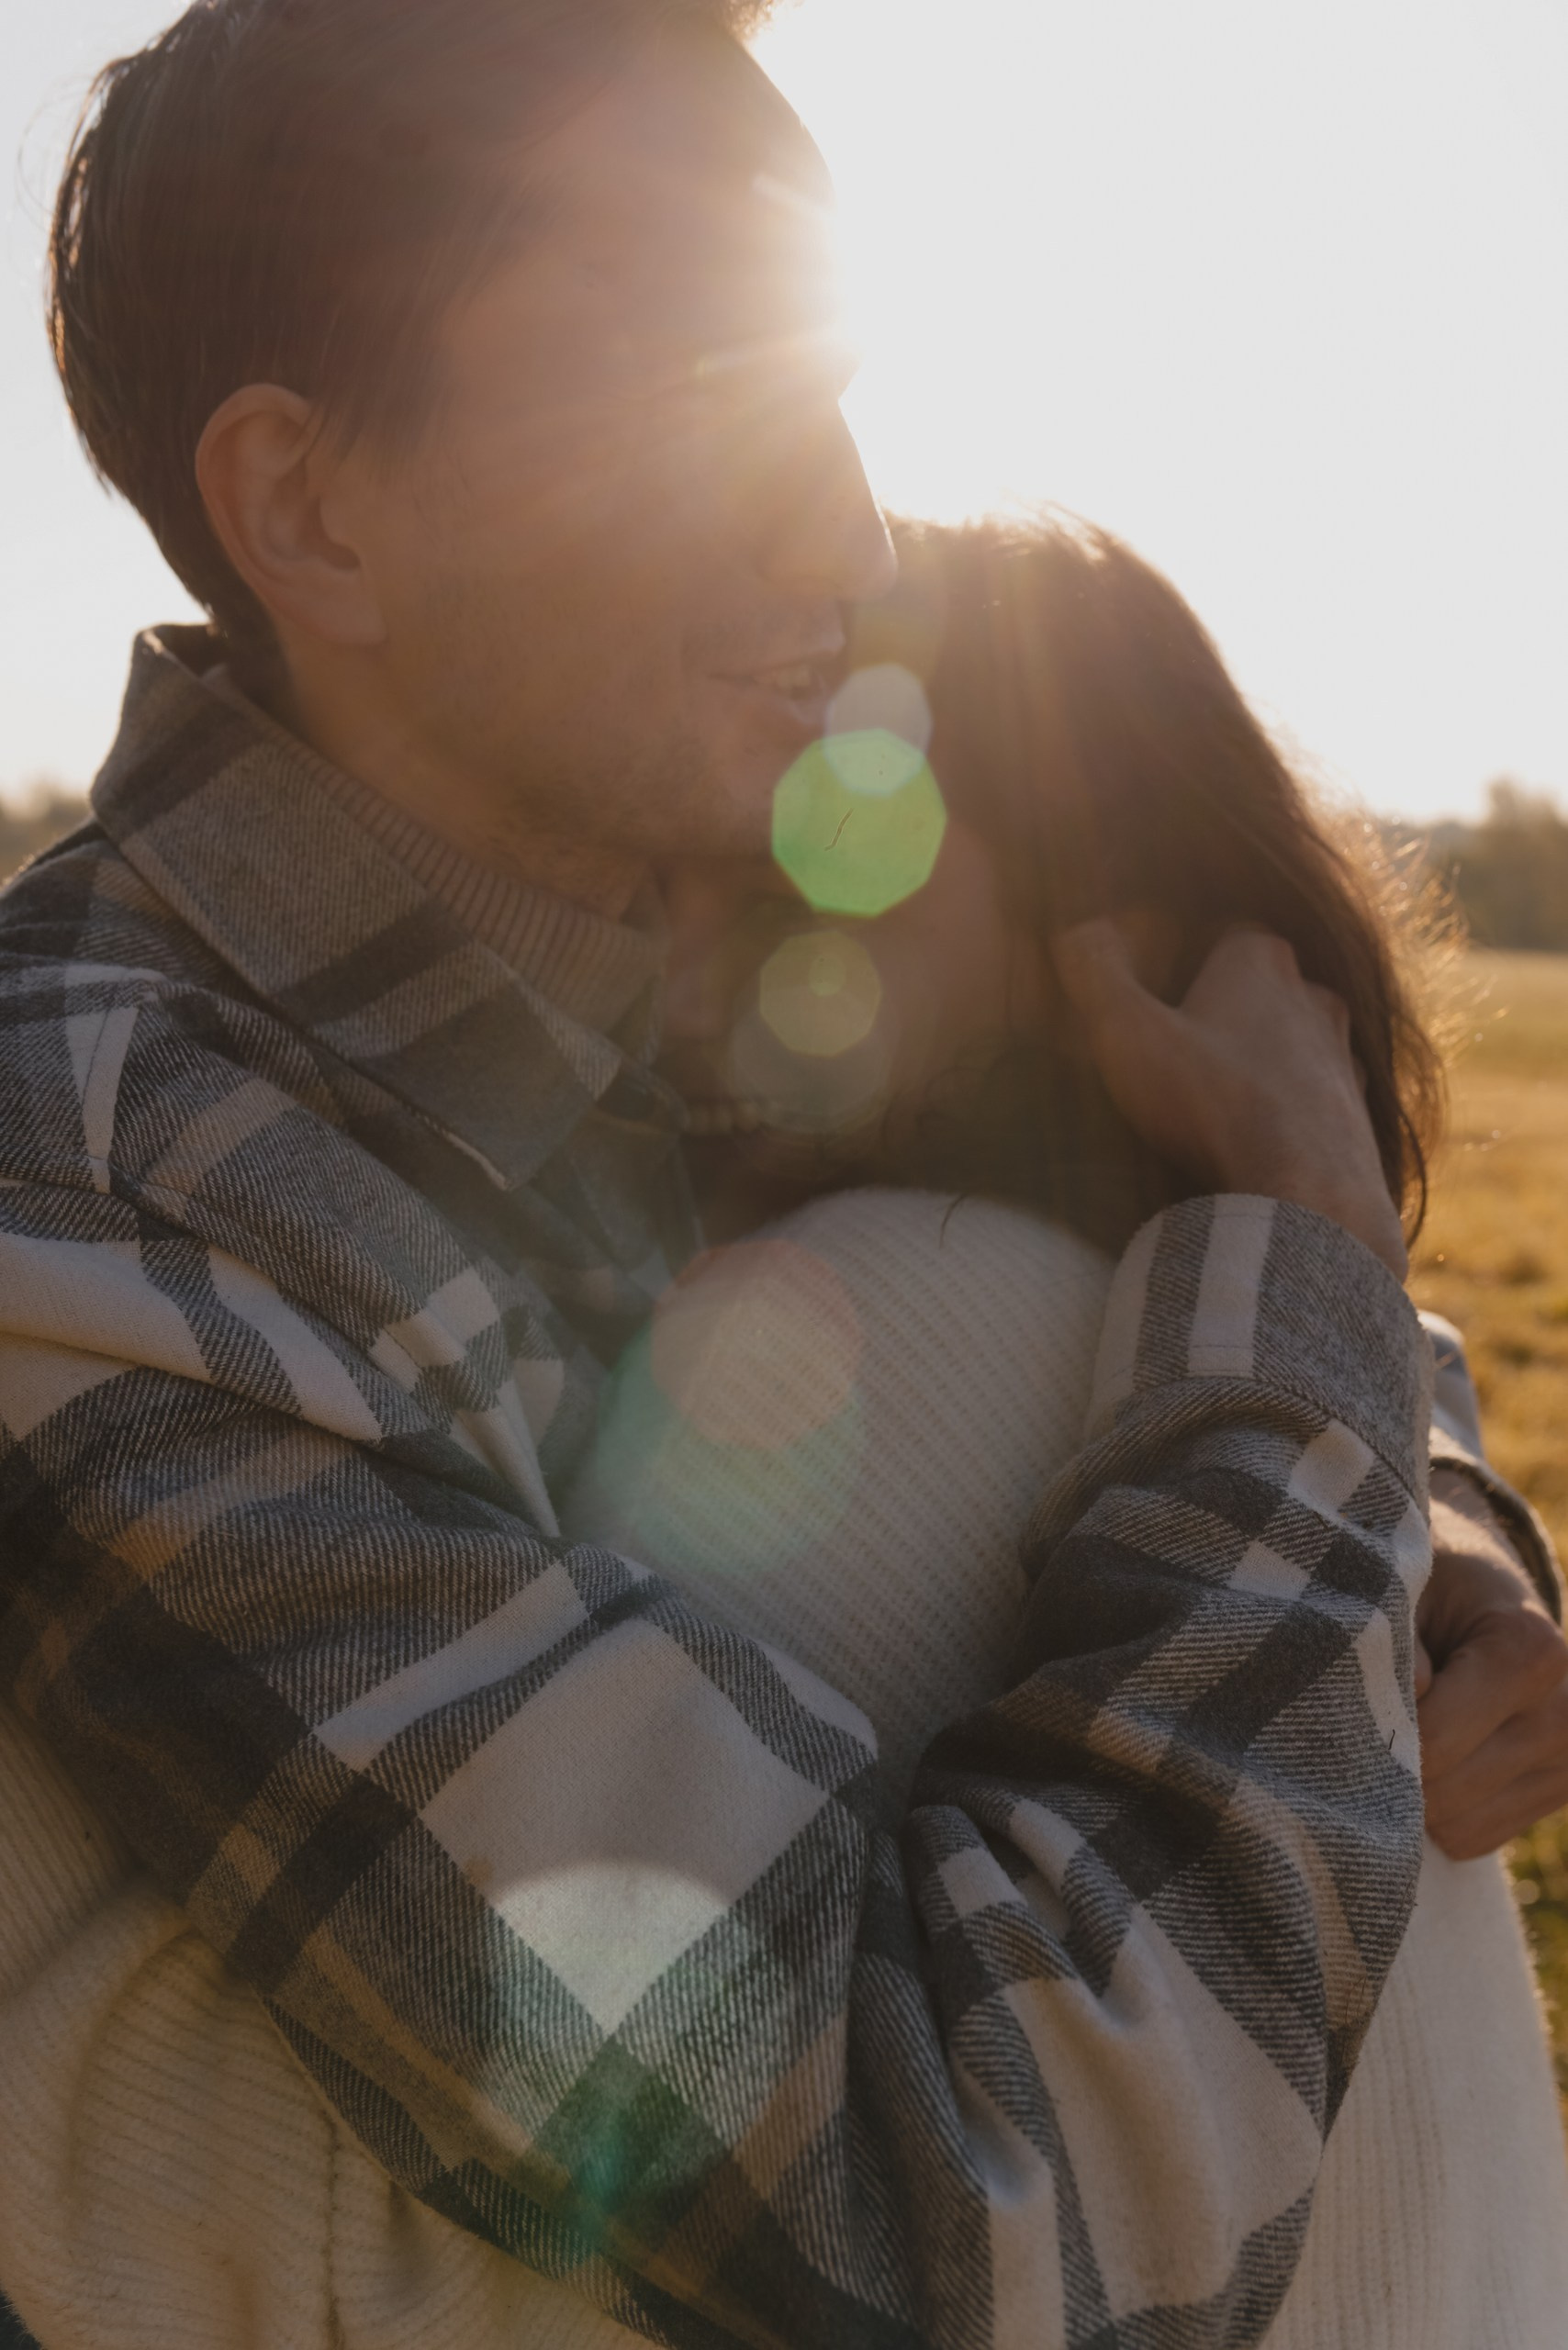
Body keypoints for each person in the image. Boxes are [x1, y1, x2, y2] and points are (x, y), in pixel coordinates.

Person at [0, 6, 1563, 2347]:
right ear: (312, 512)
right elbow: (971, 2215)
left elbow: (1108, 1240)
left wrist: (1414, 1486)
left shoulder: (638, 1005)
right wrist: (1300, 1277)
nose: (841, 530)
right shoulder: (109, 1174)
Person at [563, 512, 1568, 2345]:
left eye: (803, 898)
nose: (684, 994)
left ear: (1127, 943)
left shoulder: (834, 1339)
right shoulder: (1265, 1363)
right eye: (662, 891)